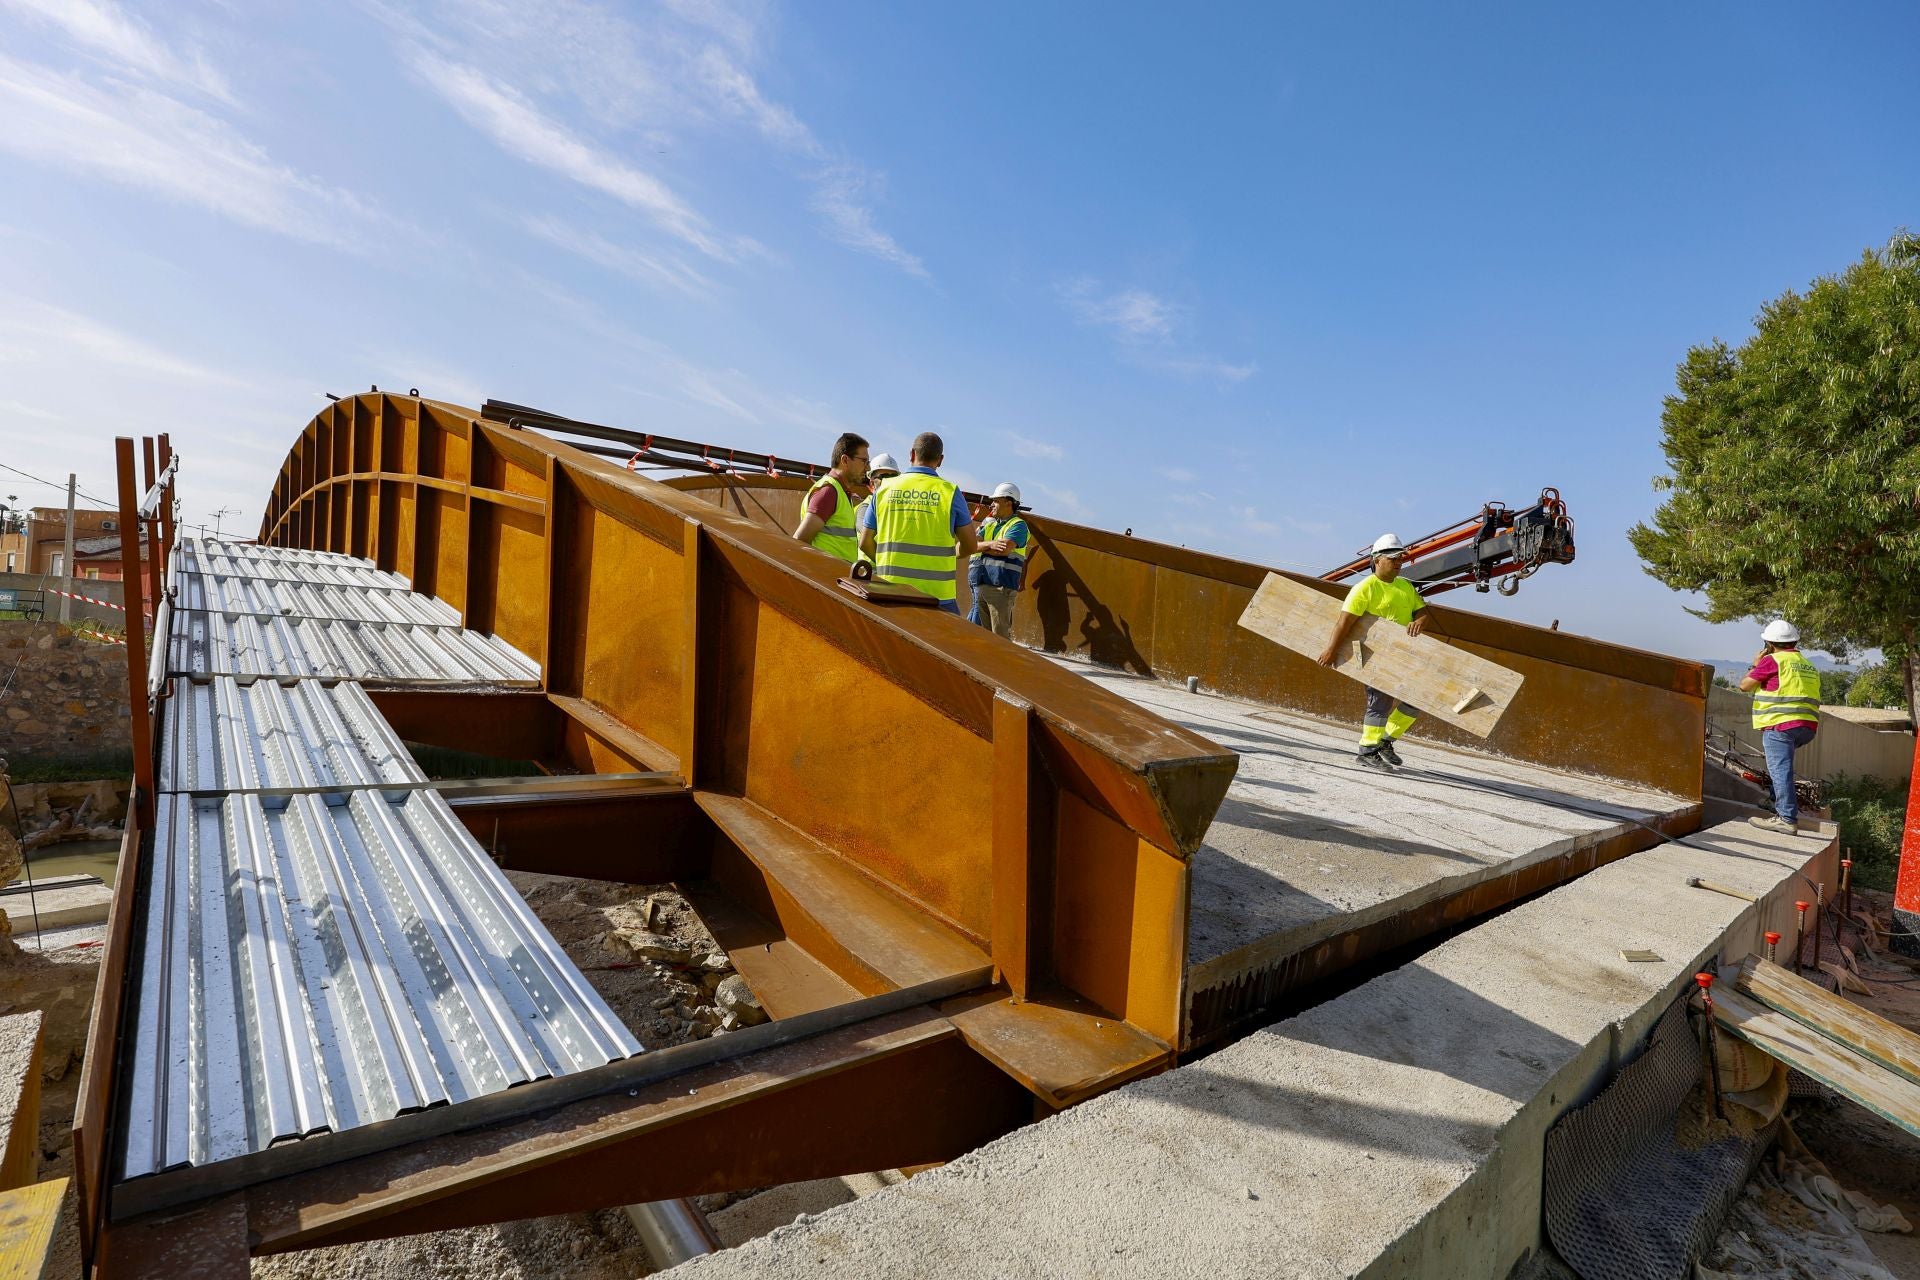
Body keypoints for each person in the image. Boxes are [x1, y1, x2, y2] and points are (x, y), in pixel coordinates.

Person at [1315, 533, 1435, 769]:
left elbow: (1422, 612)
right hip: (1373, 654)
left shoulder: (1405, 586)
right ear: (1377, 560)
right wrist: (1331, 649)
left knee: (1416, 699)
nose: (1398, 563)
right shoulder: (1365, 588)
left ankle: (1385, 742)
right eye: (1393, 559)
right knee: (1380, 701)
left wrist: (1421, 621)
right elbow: (1344, 622)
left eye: (1400, 559)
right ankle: (1367, 751)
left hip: (1401, 654)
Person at [858, 431, 977, 613]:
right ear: (940, 460)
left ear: (911, 454)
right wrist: (947, 555)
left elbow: (865, 543)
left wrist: (885, 564)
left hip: (891, 591)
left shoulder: (884, 490)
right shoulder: (950, 493)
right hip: (938, 598)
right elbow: (970, 545)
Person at [1739, 620, 1821, 835]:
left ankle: (1786, 818)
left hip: (1780, 724)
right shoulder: (1807, 664)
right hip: (1807, 727)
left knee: (1780, 769)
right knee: (1780, 767)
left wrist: (1756, 664)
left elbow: (1744, 686)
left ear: (1769, 643)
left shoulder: (1773, 661)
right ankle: (1777, 803)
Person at [791, 432, 869, 563]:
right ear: (844, 460)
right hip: (826, 577)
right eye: (864, 461)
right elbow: (799, 540)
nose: (867, 467)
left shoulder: (838, 492)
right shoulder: (829, 491)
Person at [968, 482, 1030, 637]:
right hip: (983, 585)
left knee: (999, 638)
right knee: (983, 638)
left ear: (1008, 503)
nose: (992, 505)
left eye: (996, 501)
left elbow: (1004, 550)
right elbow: (970, 546)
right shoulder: (990, 526)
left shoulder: (1018, 525)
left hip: (1000, 588)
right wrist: (990, 545)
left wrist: (981, 547)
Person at [854, 453, 901, 540]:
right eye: (884, 477)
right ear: (872, 483)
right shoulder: (865, 508)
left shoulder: (897, 505)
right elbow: (870, 537)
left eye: (893, 477)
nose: (889, 481)